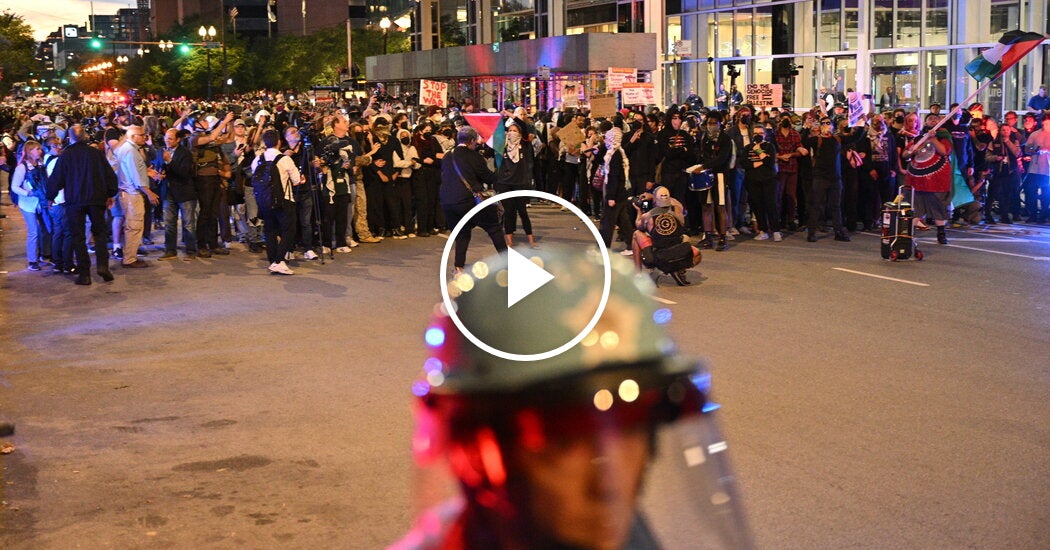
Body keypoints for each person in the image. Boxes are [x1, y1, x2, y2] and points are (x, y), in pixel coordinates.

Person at [394, 248, 753, 549]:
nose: (608, 483)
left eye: (632, 430)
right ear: (480, 458)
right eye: (563, 441)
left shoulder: (626, 538)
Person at [46, 124, 119, 285]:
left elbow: (57, 178)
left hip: (75, 200)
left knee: (78, 236)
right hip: (96, 198)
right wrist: (110, 193)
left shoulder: (66, 155)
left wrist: (50, 196)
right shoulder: (96, 154)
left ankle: (84, 273)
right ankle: (102, 266)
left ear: (69, 137)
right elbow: (109, 175)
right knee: (99, 233)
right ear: (85, 136)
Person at [439, 126, 507, 274]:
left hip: (447, 200)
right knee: (493, 227)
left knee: (461, 233)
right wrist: (499, 168)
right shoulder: (474, 156)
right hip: (468, 200)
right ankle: (506, 262)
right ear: (471, 141)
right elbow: (488, 177)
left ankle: (459, 268)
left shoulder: (447, 155)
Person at [251, 129, 301, 275]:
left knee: (270, 231)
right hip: (284, 200)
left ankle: (273, 260)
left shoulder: (258, 159)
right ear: (279, 142)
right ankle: (279, 261)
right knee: (288, 231)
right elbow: (296, 180)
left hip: (264, 200)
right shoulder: (285, 159)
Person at [631, 187, 701, 285]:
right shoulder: (678, 210)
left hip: (658, 256)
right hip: (679, 253)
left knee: (636, 234)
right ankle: (680, 269)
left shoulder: (647, 216)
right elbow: (676, 202)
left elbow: (639, 226)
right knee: (693, 247)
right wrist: (664, 197)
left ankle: (638, 274)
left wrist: (639, 211)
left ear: (655, 199)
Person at [114, 125, 161, 268]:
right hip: (132, 194)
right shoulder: (131, 151)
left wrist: (146, 171)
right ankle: (130, 258)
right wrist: (149, 192)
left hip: (128, 192)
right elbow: (136, 177)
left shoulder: (127, 149)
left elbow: (133, 170)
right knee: (134, 226)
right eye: (141, 135)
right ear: (133, 136)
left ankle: (130, 255)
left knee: (132, 226)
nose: (144, 137)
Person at [902, 126, 955, 243]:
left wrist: (933, 139)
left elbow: (944, 151)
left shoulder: (943, 139)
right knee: (916, 207)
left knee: (939, 207)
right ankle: (907, 235)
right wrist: (912, 151)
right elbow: (905, 154)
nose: (933, 122)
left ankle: (941, 233)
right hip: (917, 179)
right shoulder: (918, 139)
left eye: (935, 120)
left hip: (937, 180)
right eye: (930, 119)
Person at [156, 128, 198, 260]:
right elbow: (158, 166)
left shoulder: (185, 153)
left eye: (170, 139)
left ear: (178, 139)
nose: (167, 141)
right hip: (168, 192)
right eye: (166, 138)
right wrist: (158, 174)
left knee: (188, 223)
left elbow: (184, 173)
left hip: (184, 192)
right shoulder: (162, 151)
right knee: (169, 223)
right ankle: (170, 250)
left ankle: (191, 250)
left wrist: (170, 161)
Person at [495, 120, 537, 248]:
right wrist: (499, 118)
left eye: (515, 131)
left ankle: (531, 240)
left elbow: (524, 126)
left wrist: (511, 115)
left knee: (522, 211)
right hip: (504, 183)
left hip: (520, 183)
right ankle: (509, 240)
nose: (512, 133)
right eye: (510, 131)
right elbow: (496, 133)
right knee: (508, 211)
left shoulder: (524, 145)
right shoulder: (502, 146)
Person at [10, 140, 48, 271]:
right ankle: (32, 260)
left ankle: (44, 254)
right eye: (37, 149)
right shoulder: (22, 167)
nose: (40, 151)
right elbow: (14, 186)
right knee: (33, 231)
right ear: (29, 152)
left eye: (40, 149)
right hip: (27, 204)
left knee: (44, 229)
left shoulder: (41, 164)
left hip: (40, 203)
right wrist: (28, 193)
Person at [599, 127, 635, 254]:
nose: (606, 141)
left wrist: (610, 197)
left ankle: (604, 249)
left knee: (608, 222)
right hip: (621, 194)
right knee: (623, 221)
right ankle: (632, 245)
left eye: (608, 138)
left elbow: (614, 177)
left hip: (616, 195)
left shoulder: (614, 156)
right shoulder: (619, 153)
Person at [743, 126, 781, 241]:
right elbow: (744, 163)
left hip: (769, 180)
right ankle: (763, 230)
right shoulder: (747, 148)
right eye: (755, 133)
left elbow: (770, 162)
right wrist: (760, 161)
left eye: (760, 133)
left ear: (765, 134)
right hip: (753, 181)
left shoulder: (770, 146)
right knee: (757, 207)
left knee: (771, 205)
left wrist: (758, 150)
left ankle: (776, 230)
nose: (757, 135)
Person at [1021, 112, 1050, 223]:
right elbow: (1027, 149)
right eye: (1044, 124)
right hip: (1034, 168)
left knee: (1046, 193)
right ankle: (1032, 213)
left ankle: (1043, 214)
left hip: (1047, 169)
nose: (1045, 126)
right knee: (1030, 190)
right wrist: (1034, 151)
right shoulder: (1035, 134)